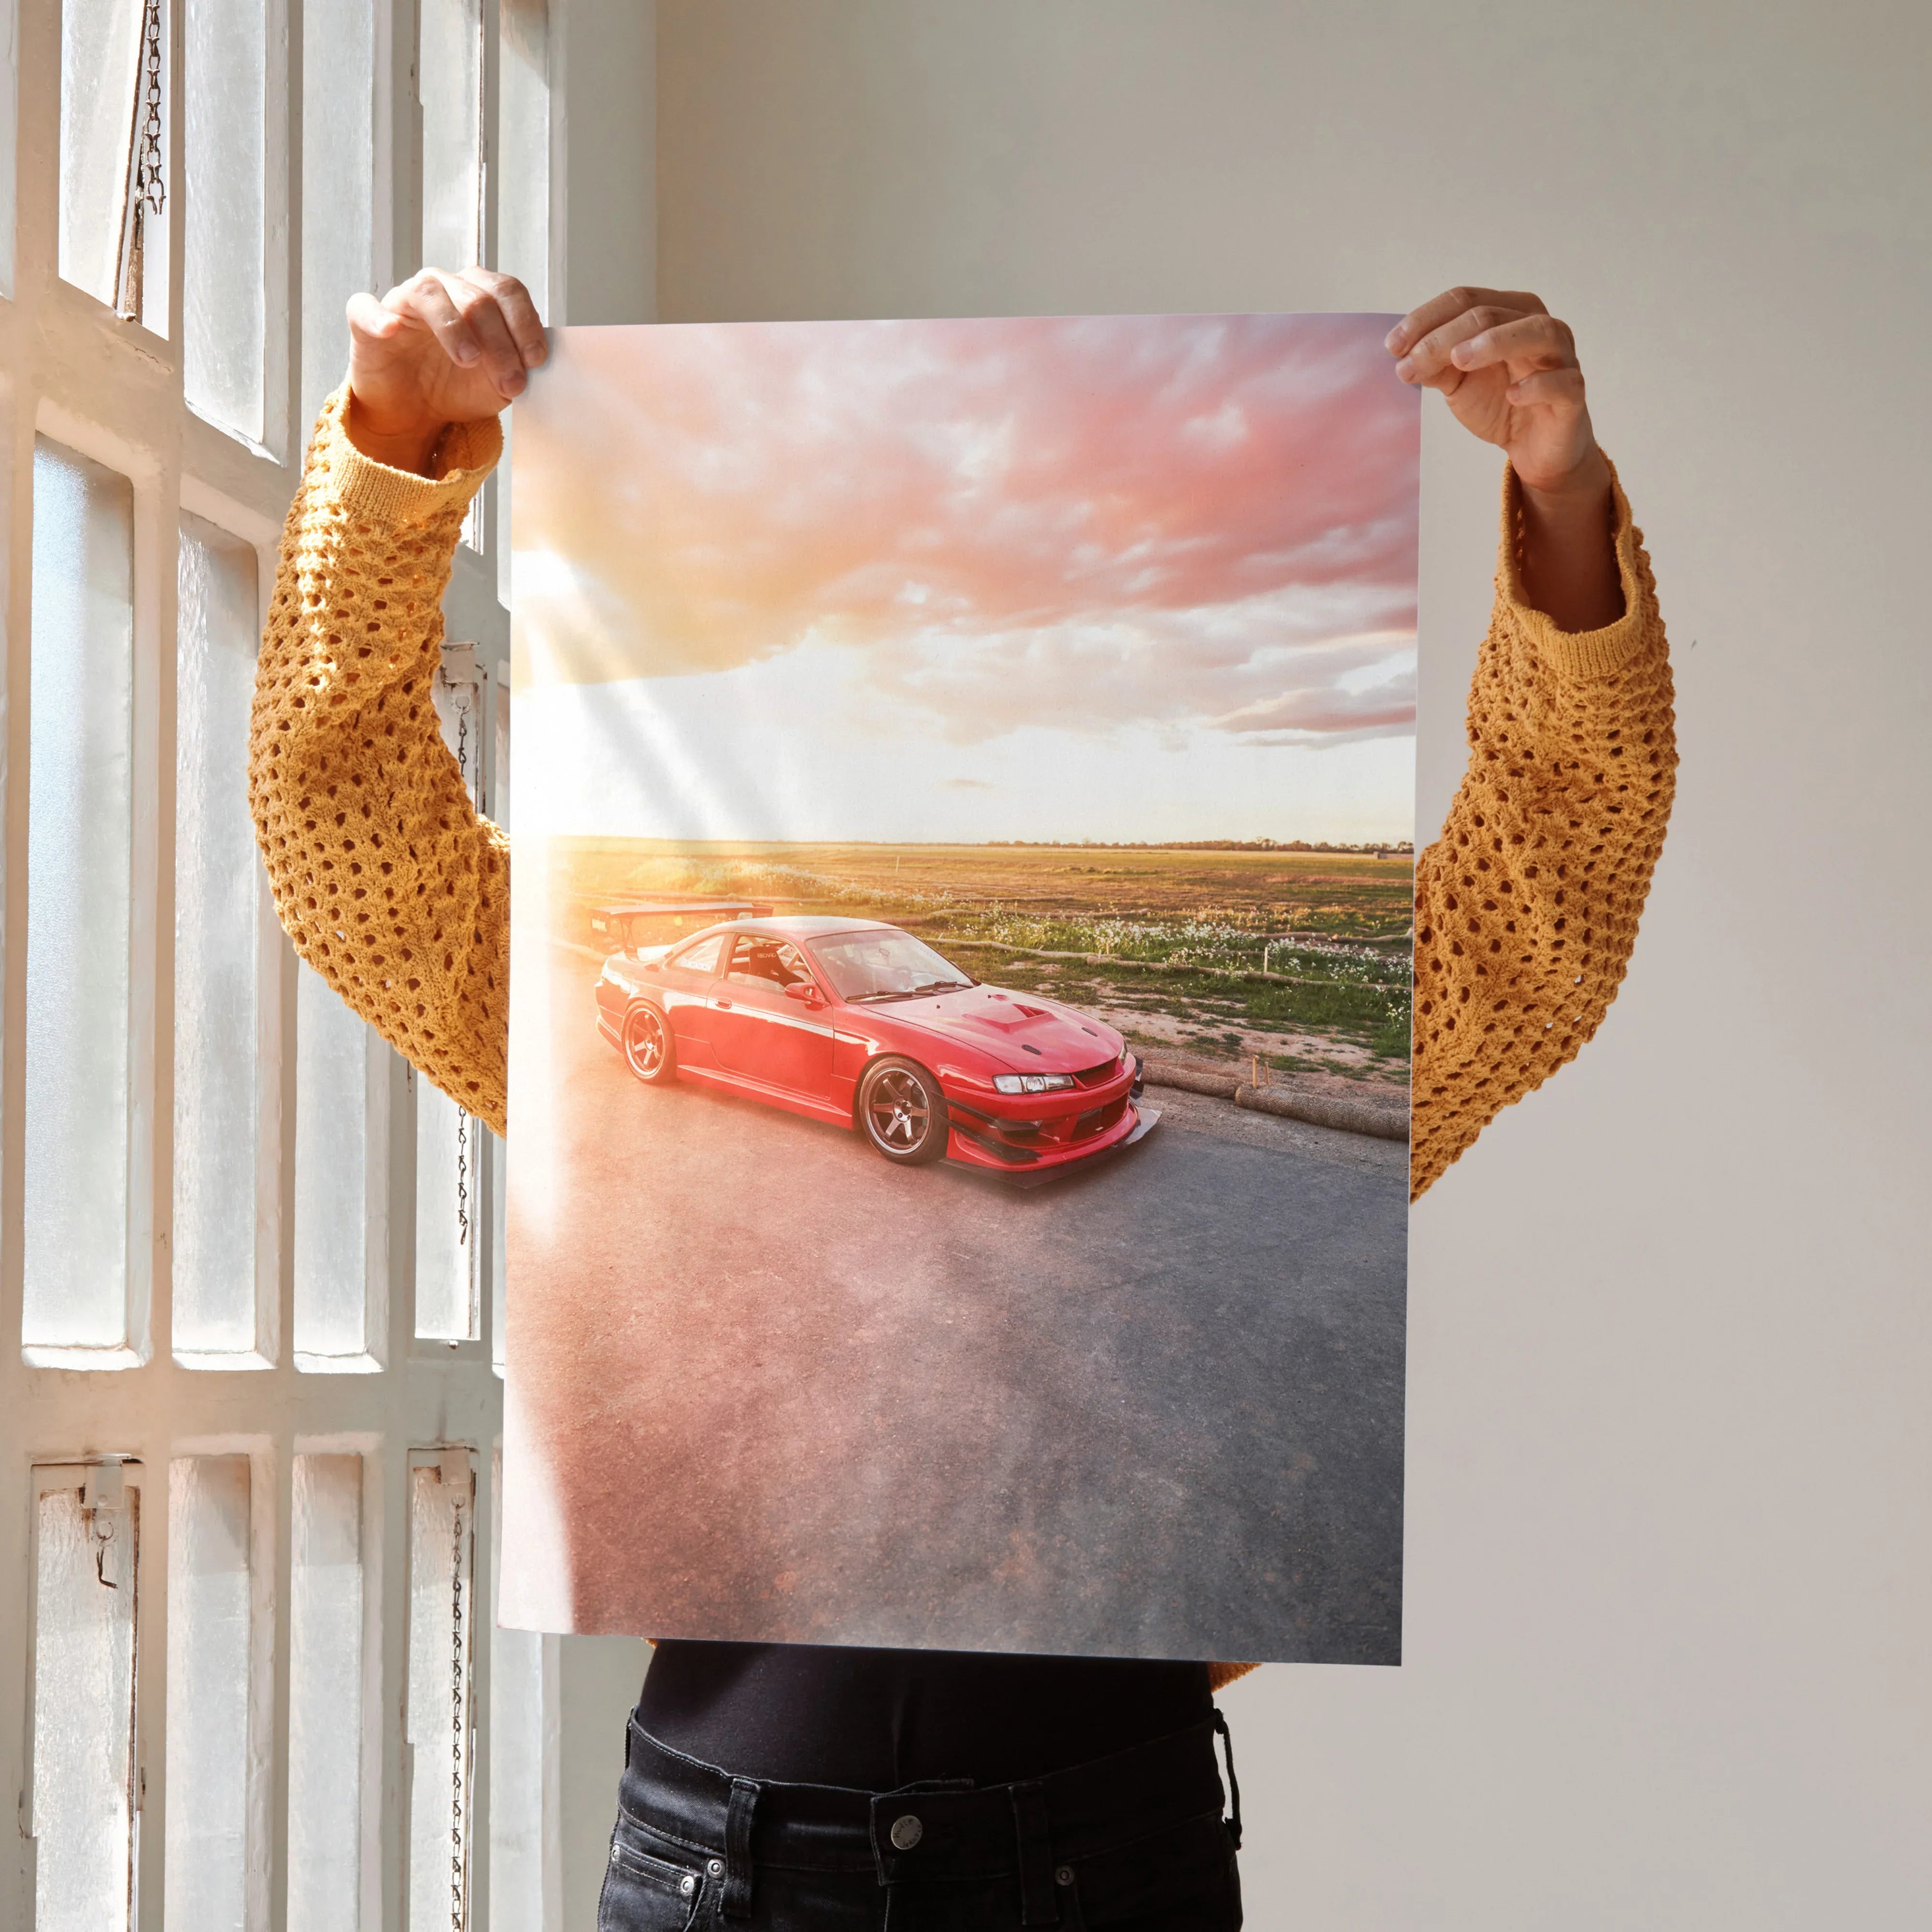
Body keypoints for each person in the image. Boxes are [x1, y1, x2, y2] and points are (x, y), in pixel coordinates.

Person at [249, 270, 1675, 1929]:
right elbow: (349, 842)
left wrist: (1561, 499)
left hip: (1108, 1856)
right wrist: (392, 445)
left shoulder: (982, 1011)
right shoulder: (602, 1029)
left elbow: (1537, 924)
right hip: (728, 1867)